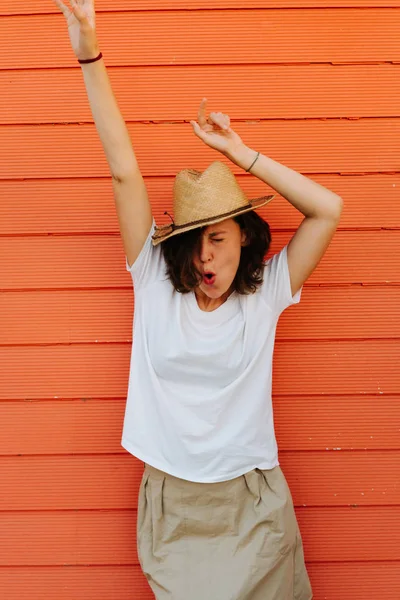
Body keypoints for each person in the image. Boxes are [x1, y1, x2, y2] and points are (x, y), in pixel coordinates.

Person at [55, 1, 343, 598]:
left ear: (246, 238)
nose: (205, 257)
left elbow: (328, 209)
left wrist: (241, 155)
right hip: (174, 505)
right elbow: (123, 173)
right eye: (195, 243)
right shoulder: (154, 282)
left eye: (218, 239)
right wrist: (89, 49)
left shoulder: (265, 294)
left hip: (253, 504)